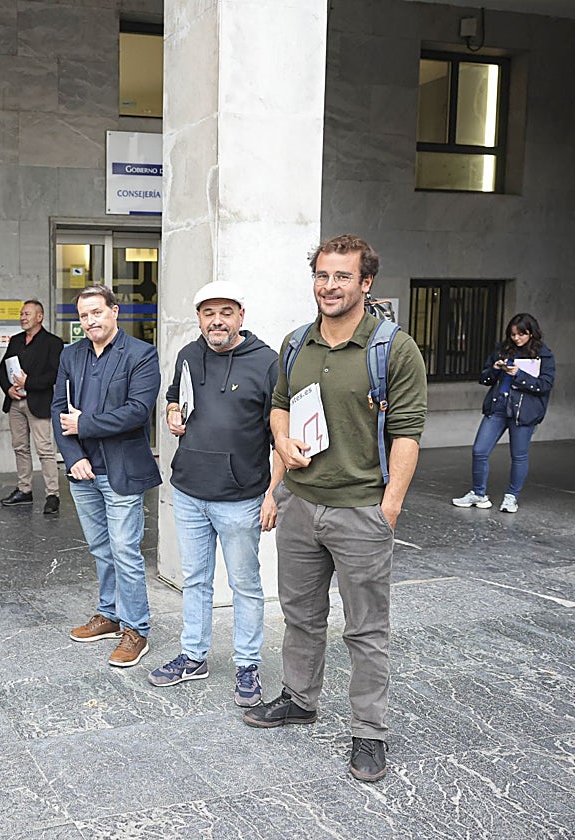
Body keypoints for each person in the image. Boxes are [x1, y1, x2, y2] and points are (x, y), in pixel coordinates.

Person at [243, 235, 427, 785]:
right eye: (323, 275)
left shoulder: (393, 348)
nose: (329, 286)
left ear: (365, 283)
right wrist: (281, 445)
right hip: (301, 503)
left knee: (366, 631)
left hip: (361, 512)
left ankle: (369, 733)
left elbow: (408, 434)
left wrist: (387, 510)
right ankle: (300, 698)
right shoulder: (297, 342)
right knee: (300, 616)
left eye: (342, 277)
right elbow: (279, 406)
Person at [147, 281, 284, 706]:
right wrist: (172, 412)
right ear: (199, 319)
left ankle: (247, 664)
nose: (217, 320)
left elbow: (282, 434)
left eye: (226, 312)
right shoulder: (189, 355)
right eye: (209, 313)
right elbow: (174, 397)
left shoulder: (268, 362)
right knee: (195, 581)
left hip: (242, 496)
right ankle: (193, 656)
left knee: (244, 585)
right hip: (189, 490)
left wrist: (273, 494)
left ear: (241, 316)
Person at [53, 284, 162, 668]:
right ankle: (109, 614)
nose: (90, 321)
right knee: (101, 549)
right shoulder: (71, 354)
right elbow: (57, 410)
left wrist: (85, 425)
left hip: (121, 471)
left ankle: (136, 630)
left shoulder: (141, 354)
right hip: (83, 471)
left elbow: (137, 411)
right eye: (83, 316)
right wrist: (73, 455)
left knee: (125, 551)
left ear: (114, 312)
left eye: (97, 312)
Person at [451, 313, 555, 514]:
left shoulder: (543, 354)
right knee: (479, 450)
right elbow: (484, 378)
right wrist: (496, 369)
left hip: (523, 412)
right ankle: (478, 494)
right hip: (498, 407)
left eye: (521, 334)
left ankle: (511, 497)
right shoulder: (502, 349)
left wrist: (519, 374)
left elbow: (545, 385)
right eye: (513, 334)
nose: (516, 338)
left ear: (531, 333)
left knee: (519, 455)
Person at [0, 300, 65, 514]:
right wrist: (8, 388)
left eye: (27, 314)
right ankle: (24, 489)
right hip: (15, 402)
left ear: (40, 316)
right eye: (21, 314)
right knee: (20, 448)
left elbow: (54, 375)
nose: (22, 317)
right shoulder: (16, 341)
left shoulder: (53, 343)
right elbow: (1, 369)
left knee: (45, 450)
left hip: (39, 402)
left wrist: (29, 383)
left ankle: (52, 494)